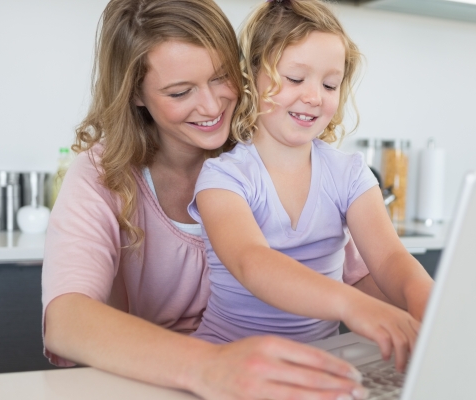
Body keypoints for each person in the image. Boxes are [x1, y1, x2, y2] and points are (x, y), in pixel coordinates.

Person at [41, 0, 394, 398]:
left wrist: (427, 324)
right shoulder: (101, 174)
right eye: (179, 92)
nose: (211, 107)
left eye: (221, 77)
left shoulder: (269, 149)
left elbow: (359, 274)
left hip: (266, 376)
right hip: (158, 378)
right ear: (136, 94)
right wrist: (209, 366)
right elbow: (67, 319)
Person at [188, 0, 434, 372]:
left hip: (319, 364)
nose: (314, 96)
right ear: (251, 77)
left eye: (330, 83)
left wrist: (429, 303)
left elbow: (388, 258)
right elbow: (253, 263)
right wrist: (353, 305)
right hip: (226, 367)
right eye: (296, 78)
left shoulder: (350, 174)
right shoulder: (224, 178)